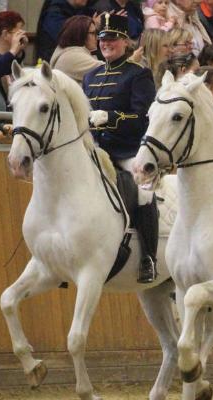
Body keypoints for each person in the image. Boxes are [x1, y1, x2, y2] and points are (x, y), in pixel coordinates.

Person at [83, 13, 158, 283]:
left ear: (125, 41)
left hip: (126, 150)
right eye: (102, 38)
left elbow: (143, 118)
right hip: (95, 151)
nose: (106, 43)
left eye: (112, 38)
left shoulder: (139, 75)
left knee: (143, 194)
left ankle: (149, 257)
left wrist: (112, 118)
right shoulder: (91, 77)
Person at [0, 11, 27, 110]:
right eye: (18, 33)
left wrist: (19, 52)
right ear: (5, 34)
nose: (22, 37)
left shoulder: (12, 54)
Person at [49, 15, 104, 84]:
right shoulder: (71, 56)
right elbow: (110, 72)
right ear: (80, 34)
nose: (97, 38)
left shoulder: (66, 51)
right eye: (93, 33)